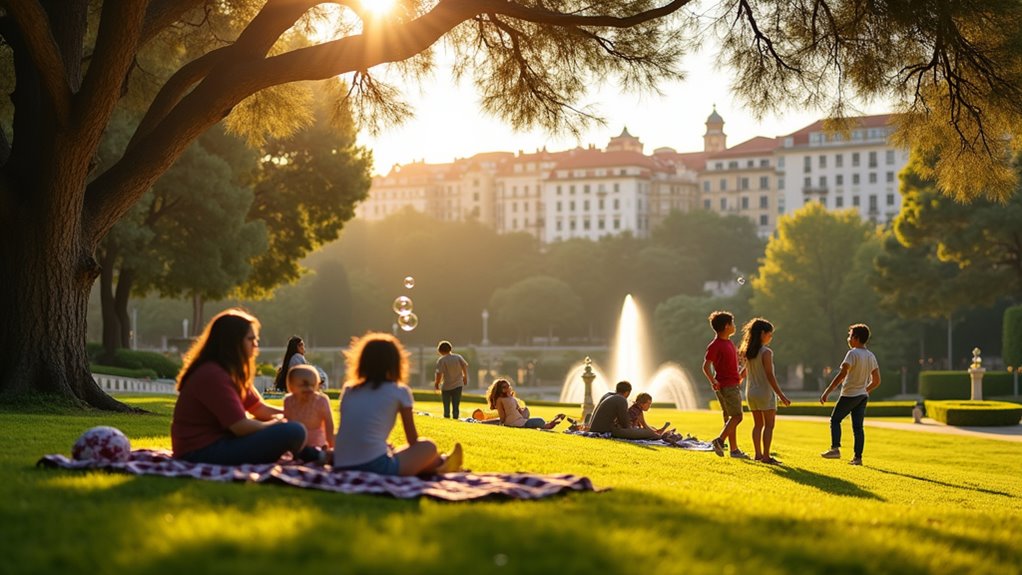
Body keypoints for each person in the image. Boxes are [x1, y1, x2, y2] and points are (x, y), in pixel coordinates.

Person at [171, 308, 306, 465]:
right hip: (199, 452)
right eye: (250, 339)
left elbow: (258, 408)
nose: (256, 345)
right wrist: (277, 423)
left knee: (295, 427)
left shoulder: (231, 371)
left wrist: (295, 414)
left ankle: (316, 455)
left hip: (221, 441)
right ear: (233, 342)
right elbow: (240, 427)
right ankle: (313, 454)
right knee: (294, 431)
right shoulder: (213, 374)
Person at [334, 332, 463, 476]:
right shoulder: (399, 391)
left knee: (392, 450)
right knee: (428, 447)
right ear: (396, 362)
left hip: (341, 462)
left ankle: (442, 463)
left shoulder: (349, 389)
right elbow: (413, 441)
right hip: (375, 467)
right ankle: (442, 463)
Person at [820, 323, 881, 466]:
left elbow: (842, 374)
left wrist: (827, 391)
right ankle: (857, 458)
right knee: (858, 428)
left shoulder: (852, 353)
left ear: (856, 338)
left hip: (849, 394)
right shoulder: (870, 356)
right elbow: (877, 380)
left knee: (835, 420)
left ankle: (835, 449)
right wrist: (865, 390)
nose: (848, 339)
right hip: (862, 396)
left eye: (850, 336)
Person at [738, 318, 791, 464]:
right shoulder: (766, 352)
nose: (771, 337)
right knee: (769, 426)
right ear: (762, 333)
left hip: (751, 393)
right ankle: (766, 457)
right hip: (764, 392)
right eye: (770, 334)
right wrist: (781, 395)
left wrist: (739, 379)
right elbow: (769, 375)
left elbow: (744, 372)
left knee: (757, 425)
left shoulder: (749, 352)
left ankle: (758, 454)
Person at [702, 311, 749, 459]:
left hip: (732, 383)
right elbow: (706, 366)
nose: (735, 326)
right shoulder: (715, 345)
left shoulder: (729, 343)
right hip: (726, 386)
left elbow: (732, 365)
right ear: (727, 326)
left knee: (731, 419)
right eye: (733, 323)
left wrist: (740, 374)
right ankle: (719, 441)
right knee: (737, 417)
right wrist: (713, 380)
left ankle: (734, 450)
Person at [283, 364, 335, 463]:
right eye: (303, 385)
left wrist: (331, 445)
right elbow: (287, 424)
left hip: (318, 445)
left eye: (312, 385)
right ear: (291, 386)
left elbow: (329, 424)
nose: (308, 389)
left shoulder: (321, 400)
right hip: (297, 446)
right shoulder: (288, 401)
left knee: (318, 456)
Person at [588, 381, 659, 439]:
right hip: (606, 430)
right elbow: (625, 424)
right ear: (627, 392)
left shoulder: (608, 395)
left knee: (645, 431)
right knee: (649, 433)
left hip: (595, 428)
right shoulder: (622, 400)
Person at [486, 378, 565, 429]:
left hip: (521, 421)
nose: (507, 389)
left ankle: (550, 423)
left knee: (538, 419)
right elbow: (502, 415)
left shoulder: (511, 398)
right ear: (499, 390)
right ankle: (547, 425)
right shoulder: (500, 400)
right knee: (540, 420)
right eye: (504, 387)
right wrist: (501, 423)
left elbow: (518, 411)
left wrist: (523, 411)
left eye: (508, 386)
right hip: (515, 423)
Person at [434, 340, 469, 419]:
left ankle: (447, 418)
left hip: (446, 386)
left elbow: (439, 373)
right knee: (456, 405)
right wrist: (465, 376)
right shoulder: (458, 357)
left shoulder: (441, 360)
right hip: (458, 385)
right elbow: (464, 366)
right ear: (450, 348)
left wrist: (437, 383)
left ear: (440, 351)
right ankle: (455, 417)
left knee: (446, 406)